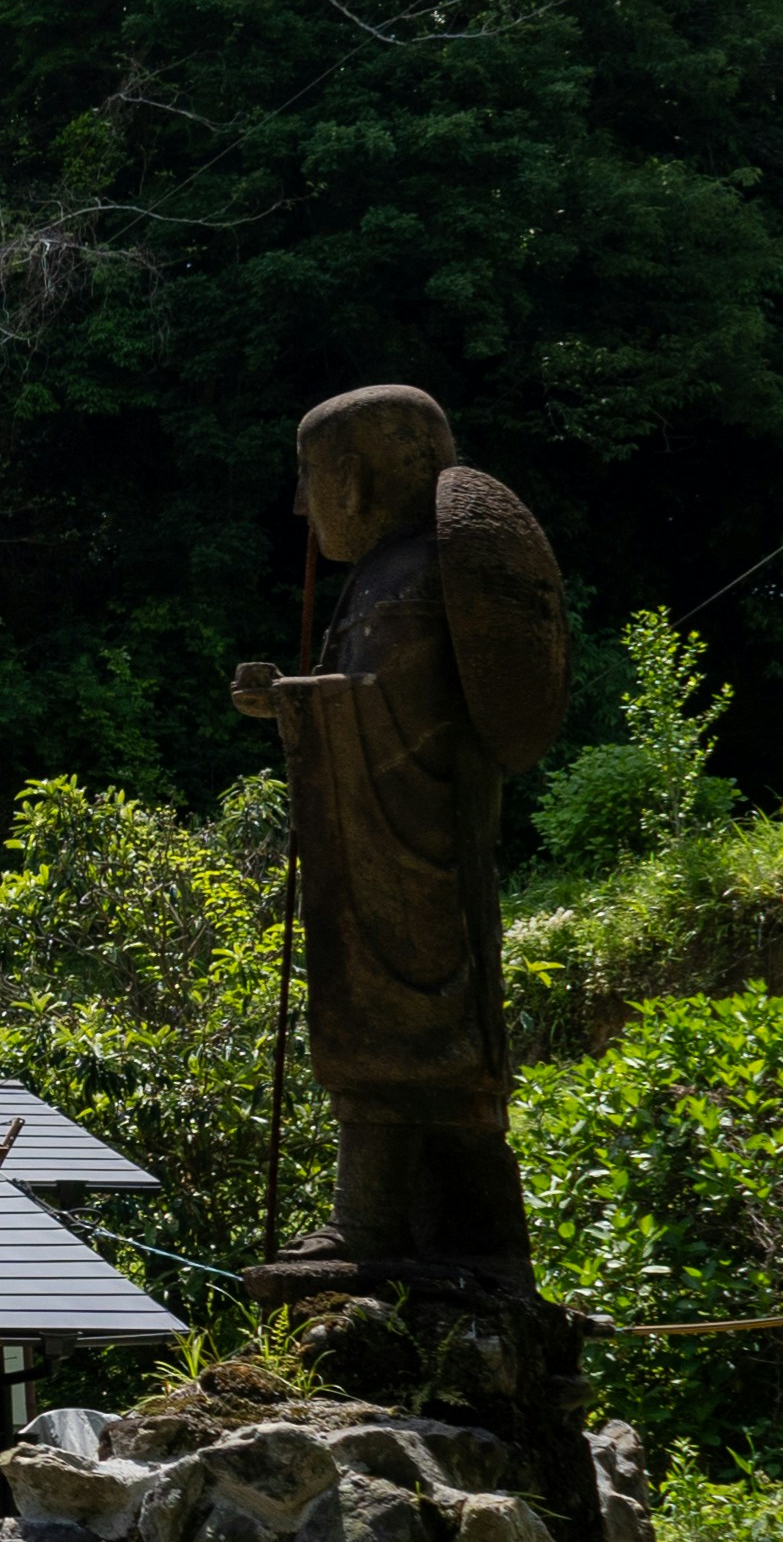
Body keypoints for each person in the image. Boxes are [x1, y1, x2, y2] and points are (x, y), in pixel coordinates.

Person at [232, 385, 568, 1281]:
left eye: (311, 478)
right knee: (445, 1049)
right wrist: (302, 703)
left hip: (406, 852)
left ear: (355, 476)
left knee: (380, 1025)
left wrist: (289, 706)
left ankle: (371, 1221)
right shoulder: (400, 574)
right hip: (428, 852)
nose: (303, 506)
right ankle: (481, 1235)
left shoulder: (405, 579)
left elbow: (391, 714)